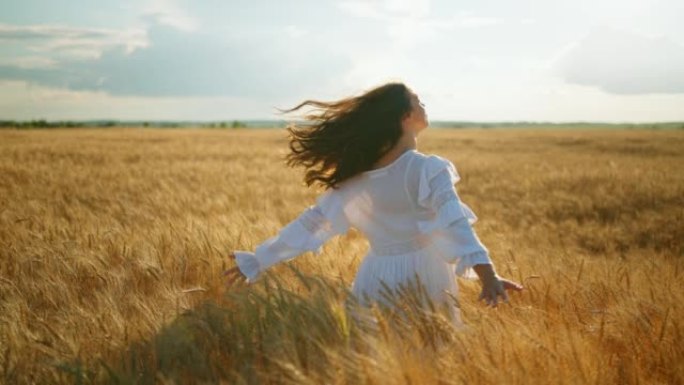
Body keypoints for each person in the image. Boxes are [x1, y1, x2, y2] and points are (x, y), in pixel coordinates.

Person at [224, 82, 522, 326]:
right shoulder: (428, 169)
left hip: (375, 274)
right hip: (425, 273)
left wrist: (258, 259)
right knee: (430, 355)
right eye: (418, 100)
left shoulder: (355, 181)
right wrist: (488, 275)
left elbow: (311, 226)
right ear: (405, 116)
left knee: (375, 357)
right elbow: (454, 223)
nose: (424, 105)